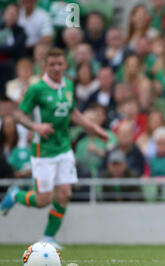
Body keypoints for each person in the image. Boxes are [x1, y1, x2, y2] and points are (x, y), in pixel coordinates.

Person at [0, 48, 108, 250]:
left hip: (64, 148)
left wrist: (93, 128)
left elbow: (73, 112)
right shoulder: (37, 89)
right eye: (52, 64)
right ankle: (15, 194)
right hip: (43, 151)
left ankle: (48, 237)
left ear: (65, 65)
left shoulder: (68, 85)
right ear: (45, 66)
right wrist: (36, 127)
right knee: (43, 199)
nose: (57, 68)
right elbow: (19, 115)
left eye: (60, 64)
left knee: (65, 194)